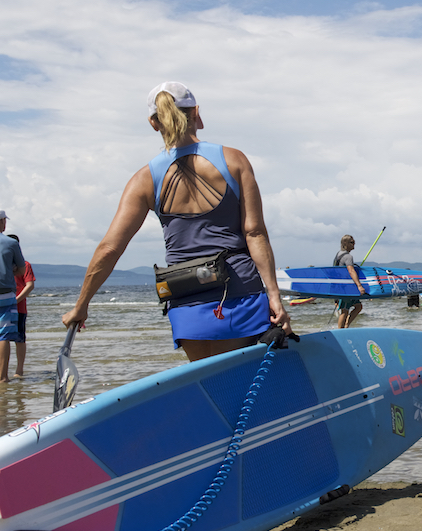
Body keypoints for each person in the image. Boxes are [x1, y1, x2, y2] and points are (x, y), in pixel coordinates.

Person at [61, 82, 291, 361]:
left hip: (186, 299)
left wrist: (81, 305)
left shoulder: (144, 179)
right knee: (242, 385)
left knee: (210, 386)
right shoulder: (233, 160)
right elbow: (254, 232)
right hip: (239, 293)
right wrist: (274, 295)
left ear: (153, 123)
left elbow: (110, 248)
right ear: (196, 113)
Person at [0, 211, 26, 383]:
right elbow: (22, 269)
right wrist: (11, 269)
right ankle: (2, 377)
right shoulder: (10, 243)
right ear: (2, 222)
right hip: (5, 294)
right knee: (3, 336)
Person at [4, 235, 34, 380]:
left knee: (19, 339)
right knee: (3, 338)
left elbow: (30, 285)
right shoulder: (4, 265)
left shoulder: (25, 265)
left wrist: (16, 300)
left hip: (18, 308)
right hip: (4, 304)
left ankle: (19, 370)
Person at [333, 235, 366, 328]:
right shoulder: (348, 256)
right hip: (344, 289)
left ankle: (346, 326)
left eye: (354, 242)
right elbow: (351, 271)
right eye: (352, 242)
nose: (354, 244)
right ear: (345, 243)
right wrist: (359, 286)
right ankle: (340, 331)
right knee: (344, 310)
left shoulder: (338, 254)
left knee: (358, 306)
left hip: (339, 287)